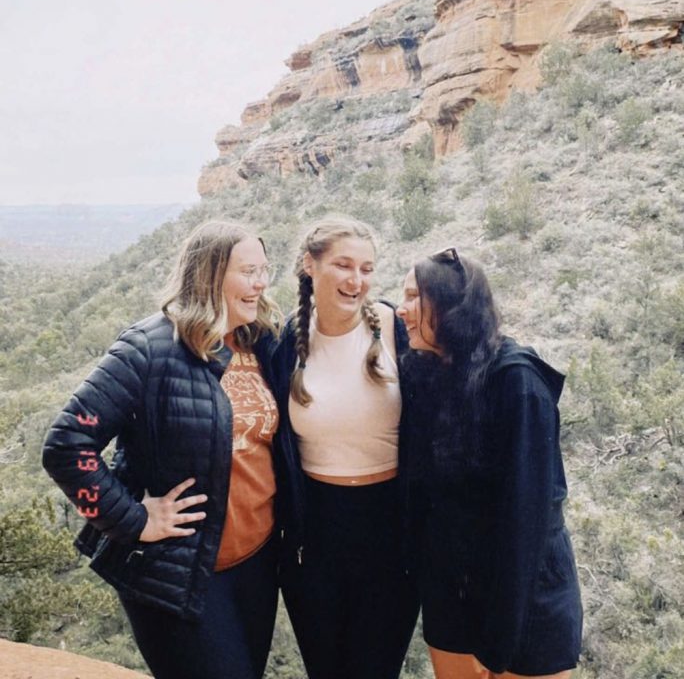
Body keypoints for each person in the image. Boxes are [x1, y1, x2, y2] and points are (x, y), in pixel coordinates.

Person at [42, 220, 283, 679]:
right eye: (249, 271)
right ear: (210, 275)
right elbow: (66, 445)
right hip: (177, 574)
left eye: (264, 270)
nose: (261, 283)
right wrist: (135, 520)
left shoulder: (260, 342)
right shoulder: (149, 348)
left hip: (255, 566)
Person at [397, 247, 583, 679]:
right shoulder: (429, 374)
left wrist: (498, 642)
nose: (401, 310)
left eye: (413, 297)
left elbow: (526, 523)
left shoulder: (517, 383)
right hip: (452, 602)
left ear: (450, 307)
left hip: (527, 606)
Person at [272, 215, 419, 679]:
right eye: (343, 265)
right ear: (309, 266)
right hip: (313, 537)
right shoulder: (283, 343)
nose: (357, 280)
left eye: (367, 268)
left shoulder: (396, 329)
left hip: (391, 531)